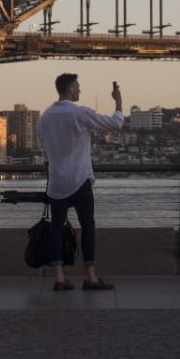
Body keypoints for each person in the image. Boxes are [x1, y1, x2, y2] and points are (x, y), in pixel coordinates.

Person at [37, 73, 123, 291]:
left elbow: (45, 156)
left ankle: (59, 277)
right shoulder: (80, 113)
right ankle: (91, 277)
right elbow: (115, 123)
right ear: (69, 89)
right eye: (77, 86)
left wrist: (52, 175)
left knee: (56, 229)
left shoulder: (44, 117)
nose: (80, 90)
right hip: (79, 181)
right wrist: (118, 100)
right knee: (88, 226)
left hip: (56, 184)